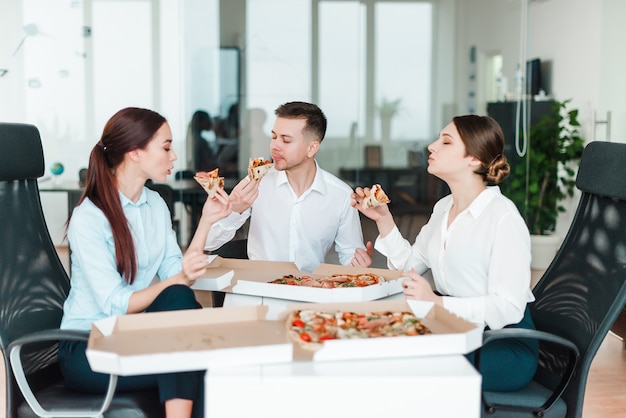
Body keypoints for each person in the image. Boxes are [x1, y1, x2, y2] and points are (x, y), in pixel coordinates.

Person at [58, 107, 231, 418]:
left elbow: (177, 274)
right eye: (166, 147)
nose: (174, 156)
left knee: (180, 309)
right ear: (134, 152)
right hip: (87, 349)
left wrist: (206, 221)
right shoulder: (89, 217)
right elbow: (116, 304)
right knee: (195, 356)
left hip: (130, 335)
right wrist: (177, 282)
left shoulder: (155, 204)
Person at [352, 114, 538, 391]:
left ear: (473, 158)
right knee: (375, 341)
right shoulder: (443, 208)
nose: (431, 146)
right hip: (456, 327)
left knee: (406, 365)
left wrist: (438, 304)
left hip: (501, 342)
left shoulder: (502, 217)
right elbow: (409, 265)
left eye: (445, 142)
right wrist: (383, 219)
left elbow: (509, 306)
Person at [205, 101, 372, 273]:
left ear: (312, 148)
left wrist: (357, 264)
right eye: (274, 137)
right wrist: (234, 211)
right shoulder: (257, 182)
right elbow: (209, 242)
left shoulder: (341, 195)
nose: (274, 146)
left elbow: (350, 256)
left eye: (286, 140)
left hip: (309, 292)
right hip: (259, 289)